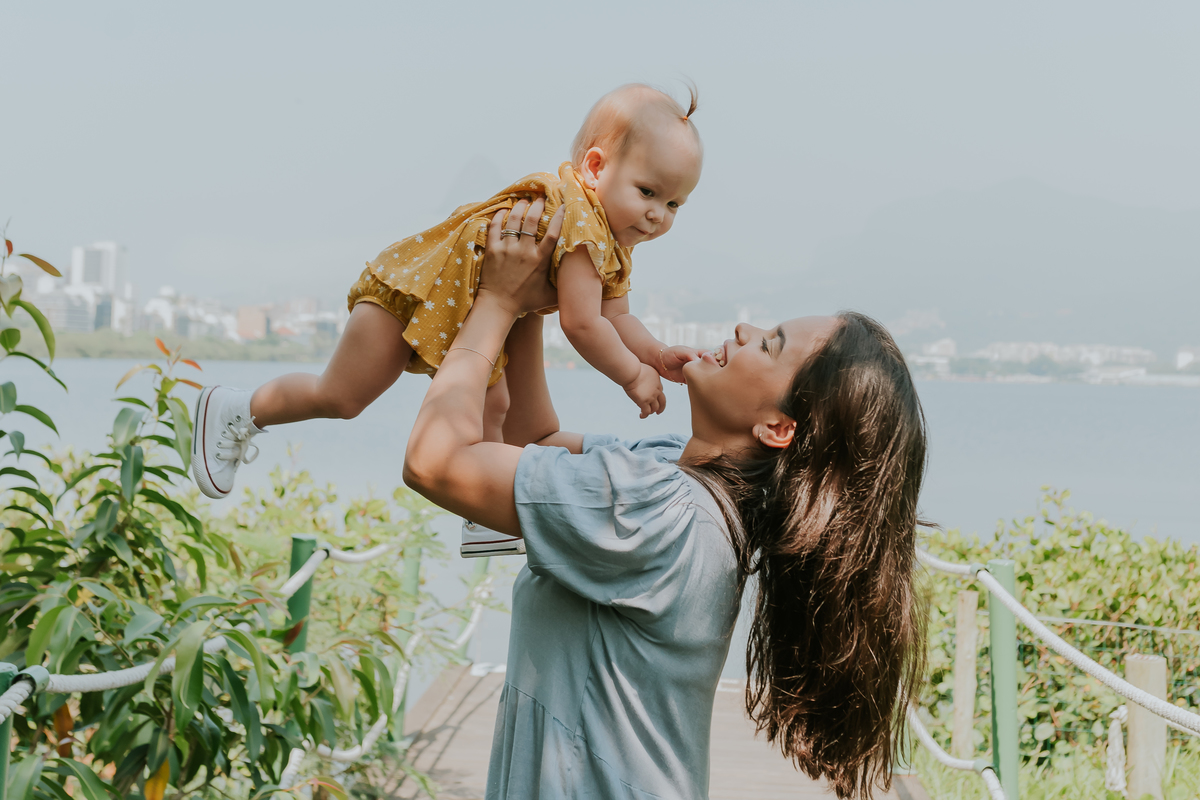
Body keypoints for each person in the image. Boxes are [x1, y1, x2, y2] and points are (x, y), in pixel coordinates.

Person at [403, 197, 929, 800]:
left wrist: (494, 301)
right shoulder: (676, 476)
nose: (744, 330)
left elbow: (433, 462)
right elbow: (538, 442)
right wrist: (530, 301)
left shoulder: (660, 511)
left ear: (778, 429)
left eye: (770, 345)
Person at [190, 84, 704, 560]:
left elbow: (618, 316)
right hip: (414, 291)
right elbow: (584, 324)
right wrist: (632, 376)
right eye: (648, 191)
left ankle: (481, 512)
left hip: (471, 315)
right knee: (342, 396)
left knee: (494, 407)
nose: (659, 214)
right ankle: (238, 409)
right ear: (595, 167)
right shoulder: (580, 223)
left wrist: (655, 354)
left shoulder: (611, 239)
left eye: (675, 203)